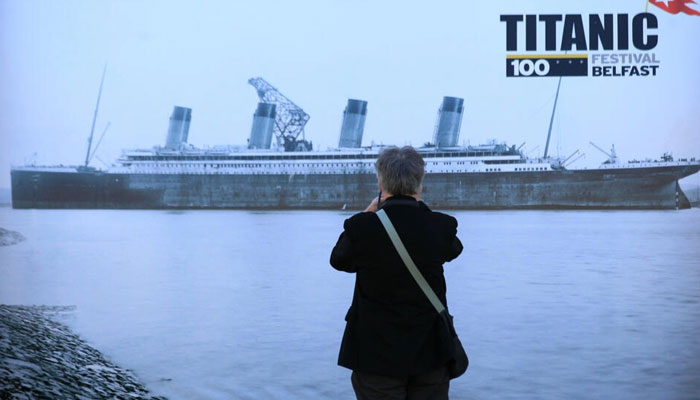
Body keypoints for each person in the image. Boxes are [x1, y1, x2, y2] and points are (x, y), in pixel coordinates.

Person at [330, 146, 464, 400]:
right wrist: (420, 209)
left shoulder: (362, 228)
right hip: (431, 353)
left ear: (380, 183)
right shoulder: (440, 226)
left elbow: (339, 260)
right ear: (420, 184)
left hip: (374, 357)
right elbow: (453, 250)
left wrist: (369, 213)